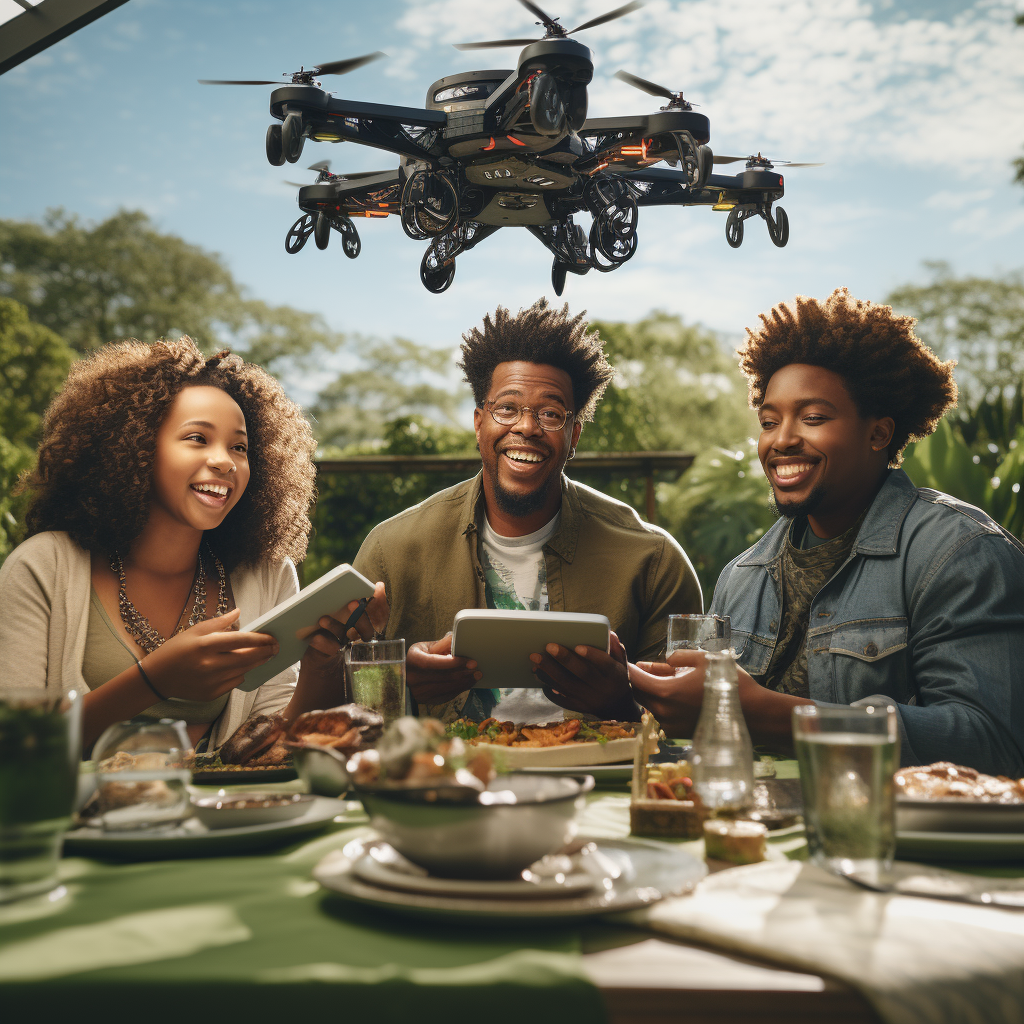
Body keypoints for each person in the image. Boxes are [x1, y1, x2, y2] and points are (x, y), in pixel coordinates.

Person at [629, 289, 1024, 774]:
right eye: (769, 421)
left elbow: (994, 744)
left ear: (879, 434)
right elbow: (707, 735)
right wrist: (624, 695)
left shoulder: (961, 553)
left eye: (813, 418)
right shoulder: (743, 575)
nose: (782, 439)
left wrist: (765, 714)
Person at [0, 338, 386, 750]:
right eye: (198, 438)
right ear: (135, 447)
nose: (225, 461)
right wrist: (153, 681)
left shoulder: (268, 574)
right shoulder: (43, 567)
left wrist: (320, 667)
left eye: (239, 447)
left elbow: (267, 745)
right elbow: (15, 745)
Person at [353, 299, 701, 725]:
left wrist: (623, 704)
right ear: (480, 422)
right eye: (507, 408)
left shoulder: (652, 560)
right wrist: (401, 685)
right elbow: (346, 708)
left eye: (551, 413)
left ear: (573, 436)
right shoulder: (390, 551)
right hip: (445, 783)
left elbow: (690, 723)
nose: (527, 427)